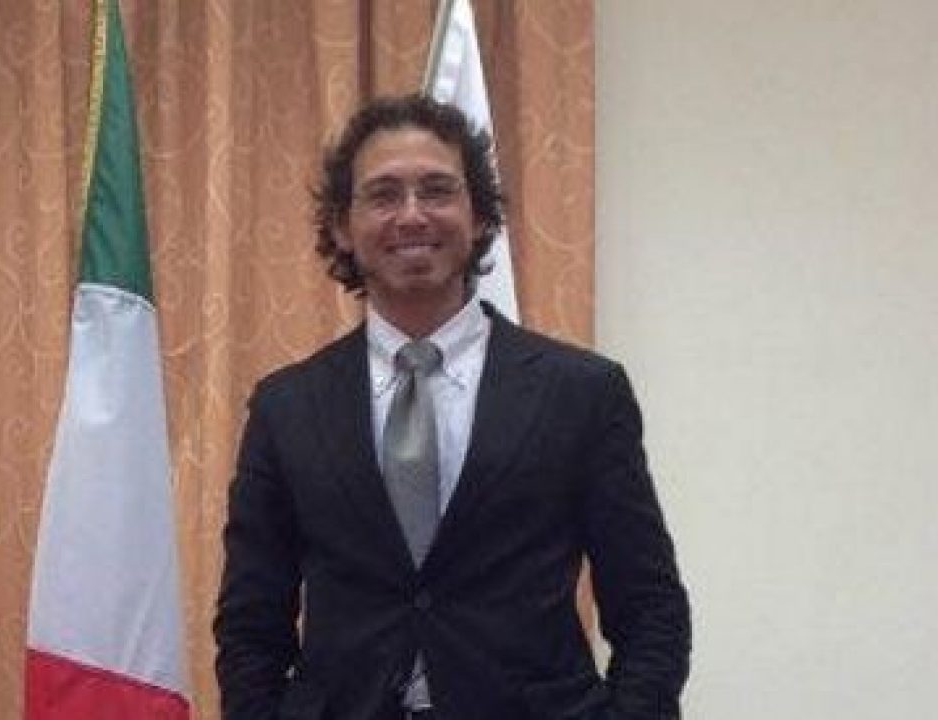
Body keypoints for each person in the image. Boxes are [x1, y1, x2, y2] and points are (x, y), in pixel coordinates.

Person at [214, 93, 690, 720]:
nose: (412, 215)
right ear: (342, 227)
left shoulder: (581, 393)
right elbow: (251, 624)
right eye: (383, 195)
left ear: (481, 216)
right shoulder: (286, 408)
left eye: (437, 191)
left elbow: (649, 608)